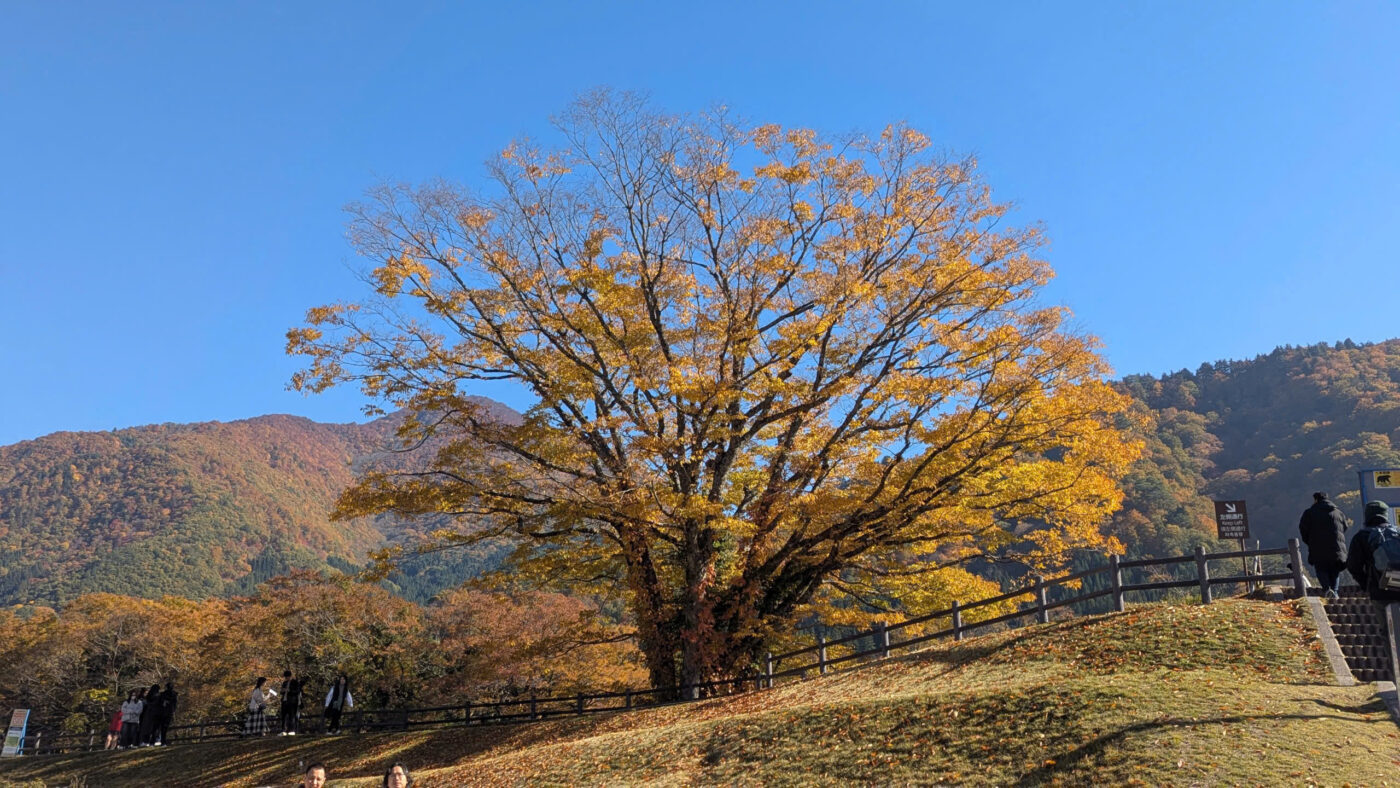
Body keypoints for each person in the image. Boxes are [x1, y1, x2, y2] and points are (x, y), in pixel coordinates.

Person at [1345, 500, 1400, 634]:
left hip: (1380, 590)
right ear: (1385, 515)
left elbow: (1353, 566)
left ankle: (1393, 654)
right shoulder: (1397, 533)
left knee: (1388, 631)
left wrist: (1366, 584)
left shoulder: (1362, 537)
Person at [1299, 491, 1350, 599]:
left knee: (1321, 568)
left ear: (1316, 499)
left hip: (1318, 547)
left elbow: (1303, 529)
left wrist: (1309, 541)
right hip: (1336, 546)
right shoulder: (1338, 512)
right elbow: (1345, 527)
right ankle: (1335, 592)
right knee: (1335, 570)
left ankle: (1327, 589)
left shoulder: (1310, 513)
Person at [279, 671, 302, 736]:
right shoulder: (284, 683)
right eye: (285, 677)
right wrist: (282, 691)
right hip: (284, 700)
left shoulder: (295, 682)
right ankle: (283, 730)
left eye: (287, 677)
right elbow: (281, 691)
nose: (286, 678)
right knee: (283, 716)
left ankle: (292, 730)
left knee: (292, 716)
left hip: (292, 701)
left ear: (290, 676)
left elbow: (297, 691)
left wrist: (290, 690)